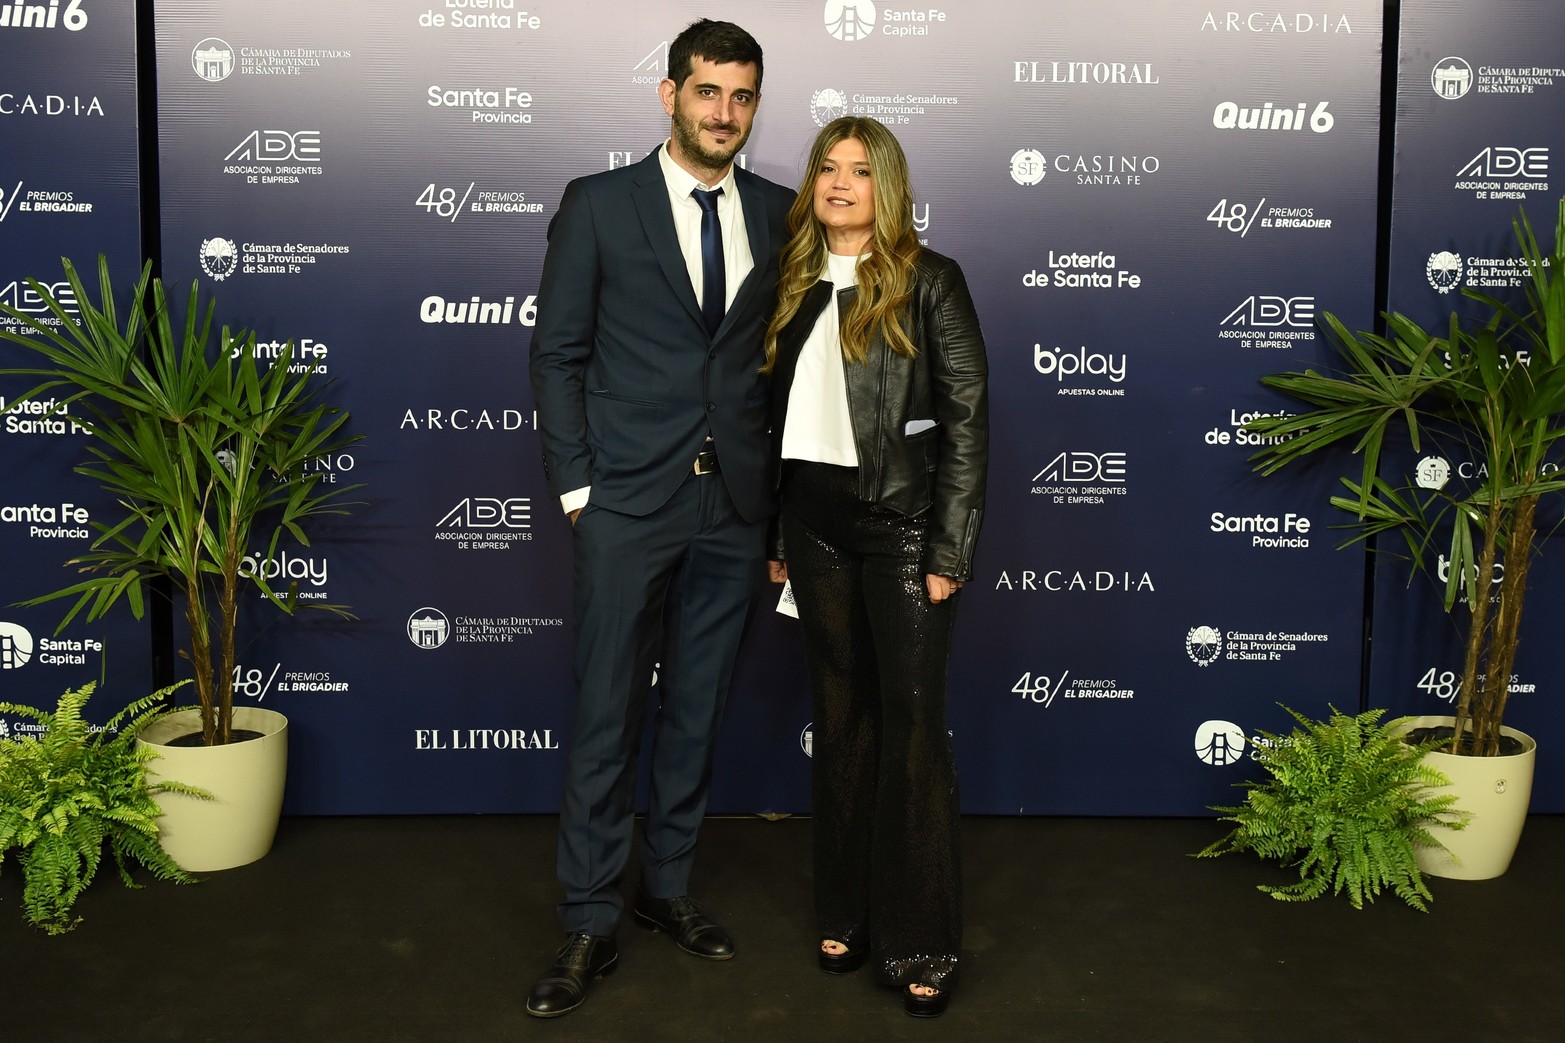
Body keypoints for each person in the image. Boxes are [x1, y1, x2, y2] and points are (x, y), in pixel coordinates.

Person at [525, 19, 794, 1019]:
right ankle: (589, 913)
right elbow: (556, 352)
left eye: (741, 96)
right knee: (606, 710)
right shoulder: (599, 205)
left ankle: (666, 886)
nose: (723, 113)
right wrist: (578, 488)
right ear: (669, 95)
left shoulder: (779, 212)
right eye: (707, 92)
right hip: (626, 502)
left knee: (696, 705)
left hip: (732, 507)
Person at [764, 116, 988, 1019]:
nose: (840, 183)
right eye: (827, 168)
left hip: (899, 525)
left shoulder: (930, 281)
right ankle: (845, 911)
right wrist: (777, 536)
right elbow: (772, 425)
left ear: (887, 186)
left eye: (860, 170)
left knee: (912, 725)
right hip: (811, 525)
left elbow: (967, 419)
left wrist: (948, 547)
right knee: (841, 715)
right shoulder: (789, 280)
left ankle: (921, 936)